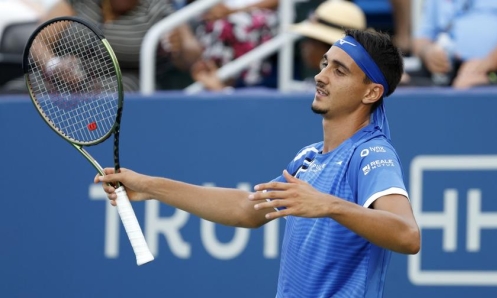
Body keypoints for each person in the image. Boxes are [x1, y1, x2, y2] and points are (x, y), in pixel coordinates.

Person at [95, 29, 421, 297]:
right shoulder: (308, 158)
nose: (321, 76)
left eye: (339, 70)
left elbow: (407, 235)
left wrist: (329, 205)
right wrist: (149, 187)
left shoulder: (372, 152)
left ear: (371, 93)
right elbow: (245, 210)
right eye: (324, 64)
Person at [37, 0, 201, 91]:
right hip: (59, 80)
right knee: (18, 90)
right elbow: (38, 40)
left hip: (123, 83)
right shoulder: (80, 3)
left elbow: (190, 54)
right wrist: (54, 64)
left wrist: (182, 48)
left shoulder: (156, 8)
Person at [413, 0, 497, 88]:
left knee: (470, 87)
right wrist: (428, 53)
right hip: (446, 73)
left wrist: (486, 64)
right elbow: (421, 39)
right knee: (401, 80)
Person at [188, 0, 279, 91]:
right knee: (209, 24)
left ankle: (226, 84)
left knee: (227, 26)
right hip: (227, 14)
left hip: (260, 14)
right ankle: (213, 77)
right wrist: (215, 9)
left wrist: (235, 10)